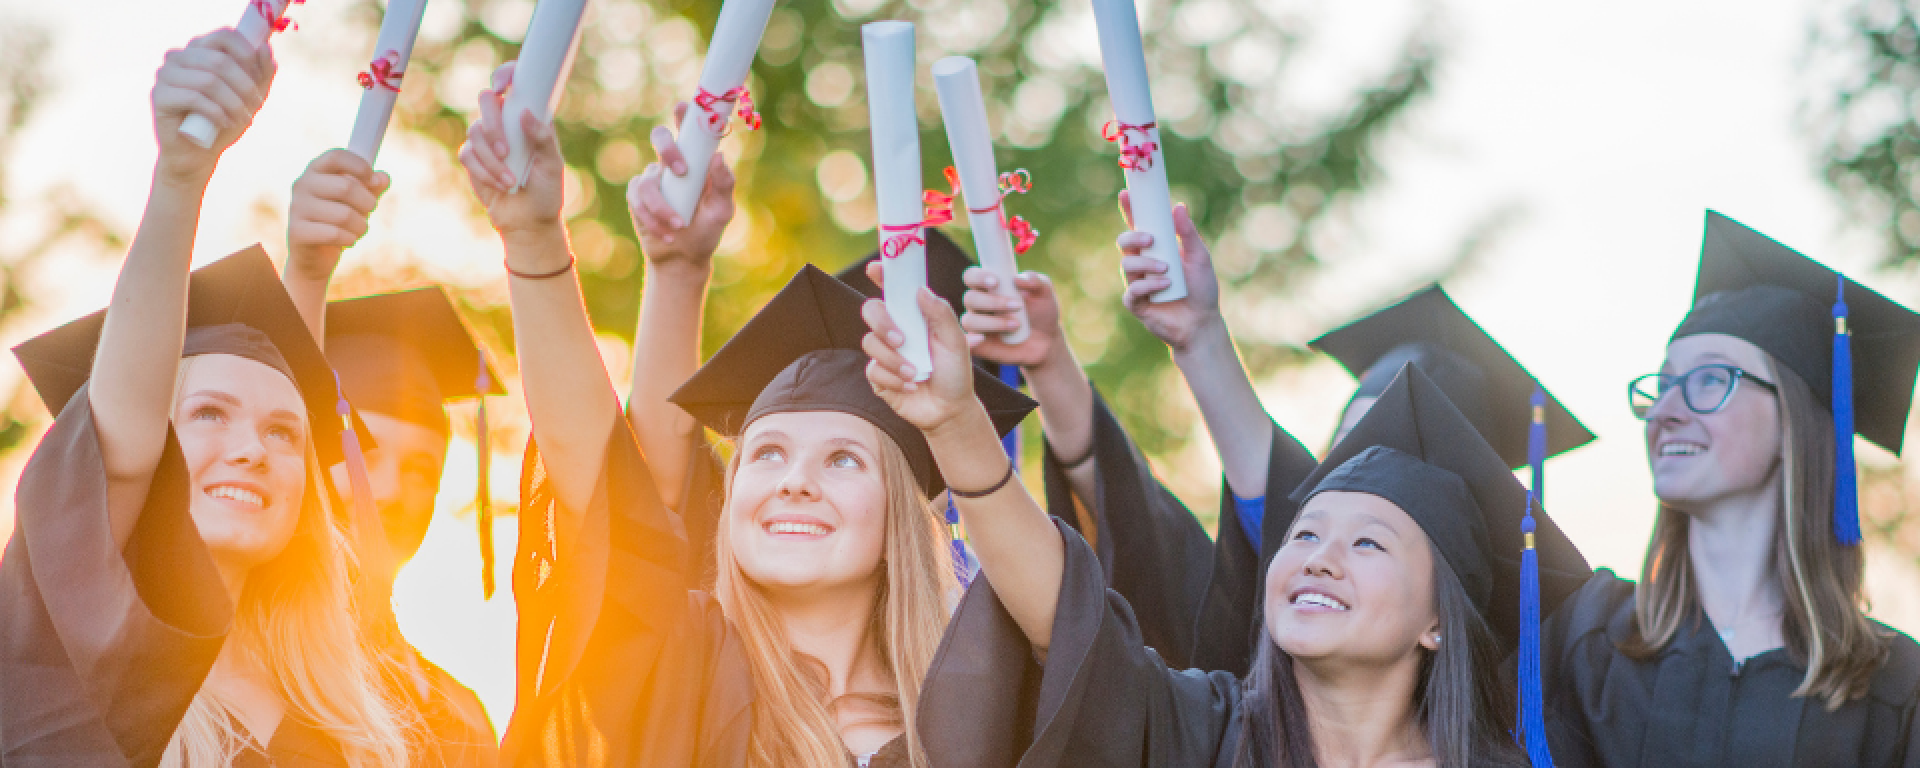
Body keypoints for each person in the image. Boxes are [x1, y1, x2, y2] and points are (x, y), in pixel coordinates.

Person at [456, 66, 1032, 767]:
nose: (794, 481)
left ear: (902, 518)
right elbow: (603, 482)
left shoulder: (984, 708)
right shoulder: (685, 668)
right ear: (729, 506)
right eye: (766, 453)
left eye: (843, 459)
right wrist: (535, 238)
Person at [866, 274, 1590, 765]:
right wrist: (958, 424)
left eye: (1367, 542)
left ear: (1438, 619)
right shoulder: (1202, 732)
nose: (1319, 556)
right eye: (1305, 532)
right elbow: (1064, 612)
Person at [0, 33, 431, 767]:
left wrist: (311, 270)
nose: (253, 450)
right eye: (206, 414)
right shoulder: (68, 671)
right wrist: (181, 179)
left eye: (285, 434)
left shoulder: (354, 723)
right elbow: (125, 447)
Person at [959, 192, 1592, 676]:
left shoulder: (1538, 699)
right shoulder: (1227, 704)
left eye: (1373, 541)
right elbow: (1140, 529)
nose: (1326, 552)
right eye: (1347, 447)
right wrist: (1051, 367)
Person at [1543, 211, 1920, 766]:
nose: (1666, 411)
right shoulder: (1587, 639)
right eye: (1663, 385)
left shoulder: (1896, 690)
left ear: (1794, 425)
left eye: (1710, 381)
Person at [282, 148, 508, 764]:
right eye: (364, 454)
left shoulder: (454, 716)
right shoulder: (219, 667)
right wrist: (304, 270)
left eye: (422, 472)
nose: (392, 491)